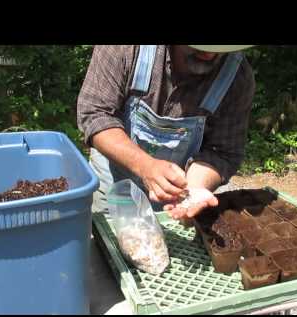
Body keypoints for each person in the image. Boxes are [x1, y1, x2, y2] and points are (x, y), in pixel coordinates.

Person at [77, 45, 256, 220]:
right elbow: (95, 114)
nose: (209, 53)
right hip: (114, 183)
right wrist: (144, 165)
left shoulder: (237, 77)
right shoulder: (125, 48)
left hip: (174, 195)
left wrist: (192, 191)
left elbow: (222, 152)